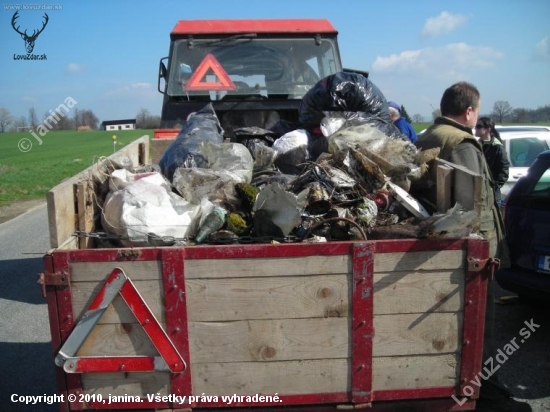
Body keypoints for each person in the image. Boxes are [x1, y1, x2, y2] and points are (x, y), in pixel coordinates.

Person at [415, 82, 530, 412]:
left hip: (443, 249)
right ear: (469, 112)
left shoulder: (429, 135)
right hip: (471, 257)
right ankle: (480, 391)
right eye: (476, 112)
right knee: (479, 329)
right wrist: (484, 254)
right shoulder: (463, 143)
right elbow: (472, 206)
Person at [475, 117, 510, 204]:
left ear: (488, 129)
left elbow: (504, 169)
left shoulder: (497, 147)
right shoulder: (476, 145)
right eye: (476, 126)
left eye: (479, 126)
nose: (475, 128)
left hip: (492, 195)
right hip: (478, 193)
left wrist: (493, 186)